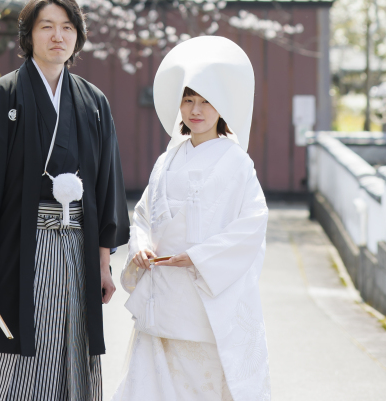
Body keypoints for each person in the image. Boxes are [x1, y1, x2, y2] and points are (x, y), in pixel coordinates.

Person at [0, 0, 130, 401]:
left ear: (77, 37)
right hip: (17, 247)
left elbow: (106, 185)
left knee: (69, 341)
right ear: (28, 37)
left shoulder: (93, 102)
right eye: (47, 27)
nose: (57, 36)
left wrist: (103, 263)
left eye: (67, 28)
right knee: (11, 339)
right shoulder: (2, 96)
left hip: (77, 247)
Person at [112, 35, 270, 401]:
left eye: (205, 102)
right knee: (155, 379)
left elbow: (252, 224)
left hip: (205, 297)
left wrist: (199, 257)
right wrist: (140, 246)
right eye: (188, 100)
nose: (195, 110)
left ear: (222, 108)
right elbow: (143, 214)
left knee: (202, 383)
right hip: (164, 289)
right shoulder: (167, 159)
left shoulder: (236, 162)